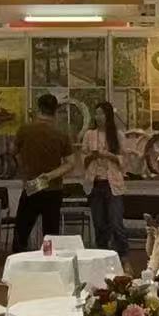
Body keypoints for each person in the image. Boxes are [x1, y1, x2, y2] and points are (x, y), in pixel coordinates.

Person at [11, 92, 72, 252]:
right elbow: (70, 163)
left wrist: (24, 167)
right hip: (53, 186)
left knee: (22, 230)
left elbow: (13, 151)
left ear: (39, 108)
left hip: (32, 184)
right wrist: (50, 175)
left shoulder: (25, 130)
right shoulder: (61, 133)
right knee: (50, 233)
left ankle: (17, 260)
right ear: (55, 110)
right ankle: (48, 258)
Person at [80, 100, 129, 263]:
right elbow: (83, 159)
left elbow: (125, 161)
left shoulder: (117, 135)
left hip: (112, 184)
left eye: (101, 113)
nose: (98, 116)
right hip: (95, 183)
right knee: (99, 223)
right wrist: (91, 156)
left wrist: (109, 155)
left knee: (116, 222)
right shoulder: (89, 134)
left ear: (108, 115)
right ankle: (101, 256)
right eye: (96, 113)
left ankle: (123, 256)